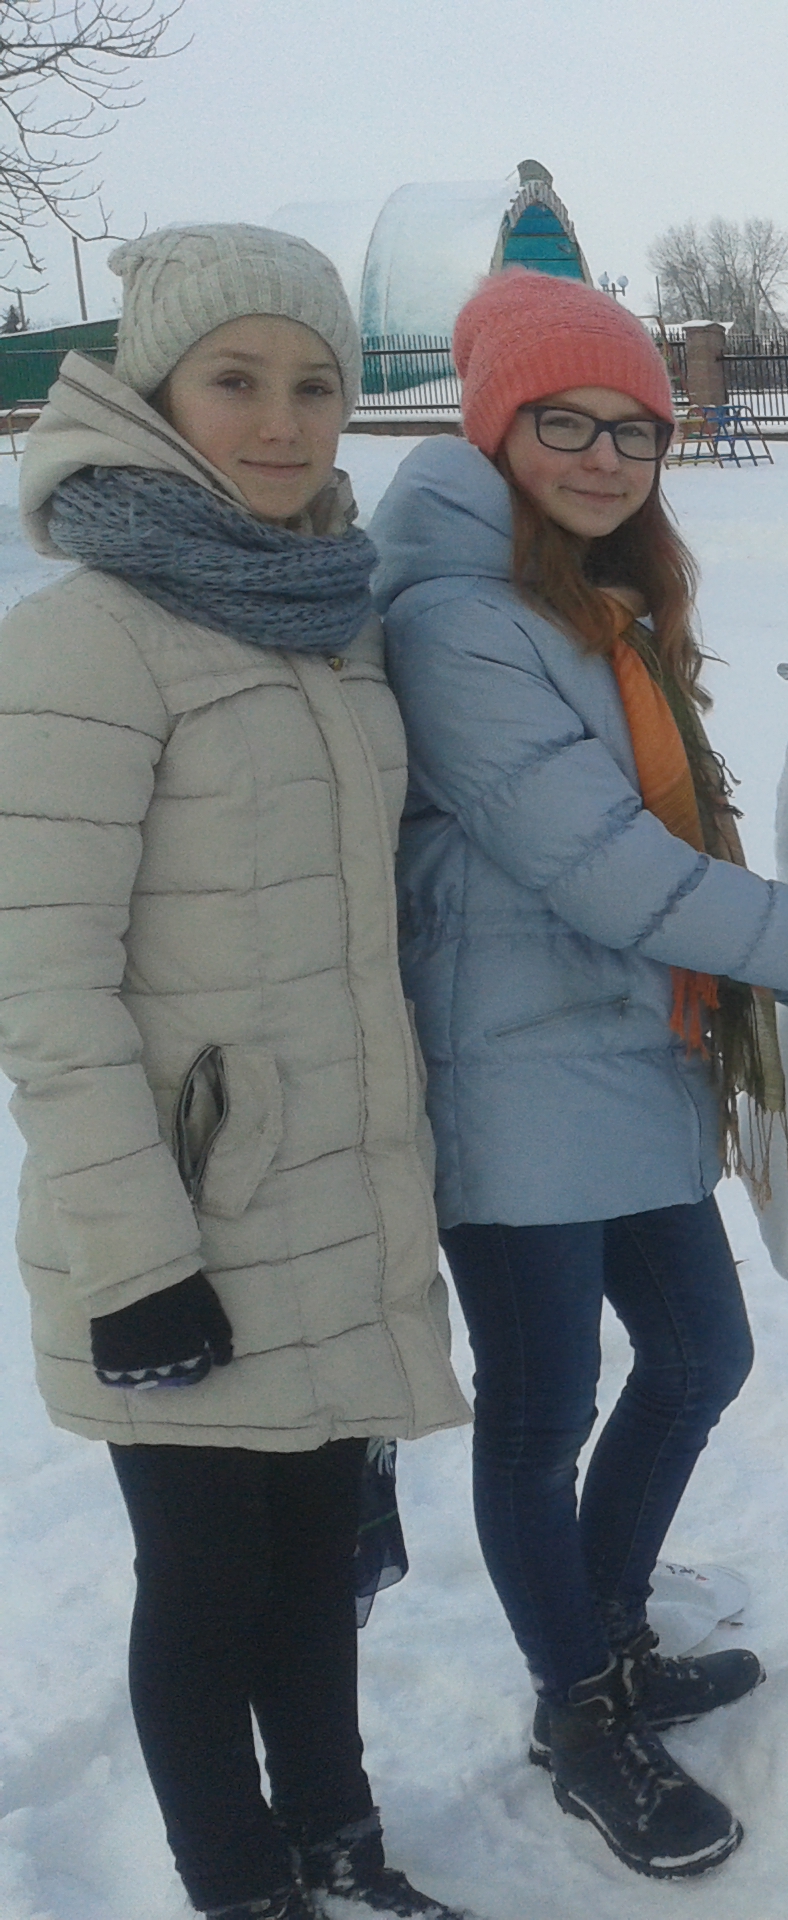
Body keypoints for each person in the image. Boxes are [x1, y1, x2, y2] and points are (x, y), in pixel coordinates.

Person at [367, 271, 788, 1880]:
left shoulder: (589, 602)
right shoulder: (455, 621)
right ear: (497, 429)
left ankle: (610, 1634)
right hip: (510, 1073)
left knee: (699, 1356)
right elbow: (614, 871)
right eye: (567, 423)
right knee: (544, 1405)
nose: (608, 455)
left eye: (637, 427)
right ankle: (579, 1712)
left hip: (622, 1053)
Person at [0, 225, 472, 1920]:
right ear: (153, 391)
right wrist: (136, 1262)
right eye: (237, 381)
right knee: (206, 1587)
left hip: (327, 1202)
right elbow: (42, 986)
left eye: (317, 386)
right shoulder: (87, 639)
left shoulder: (325, 617)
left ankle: (338, 1844)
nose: (282, 424)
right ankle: (240, 1887)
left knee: (312, 1569)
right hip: (182, 1224)